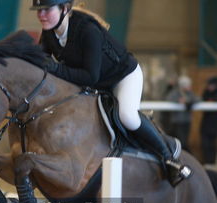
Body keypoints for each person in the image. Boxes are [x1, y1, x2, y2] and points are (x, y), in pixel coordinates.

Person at [29, 0, 191, 186]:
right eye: (38, 10)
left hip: (122, 77)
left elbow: (89, 76)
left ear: (64, 8)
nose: (41, 15)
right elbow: (40, 62)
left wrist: (55, 69)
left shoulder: (87, 31)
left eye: (46, 10)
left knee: (127, 116)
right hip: (98, 83)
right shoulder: (49, 33)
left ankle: (169, 158)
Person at [166, 75, 199, 151]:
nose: (189, 87)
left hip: (186, 121)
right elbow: (169, 98)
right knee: (179, 141)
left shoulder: (190, 93)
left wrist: (188, 102)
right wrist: (178, 100)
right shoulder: (175, 92)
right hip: (177, 121)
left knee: (184, 140)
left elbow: (198, 99)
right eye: (188, 85)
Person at [200, 77, 217, 165]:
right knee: (205, 143)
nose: (209, 87)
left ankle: (211, 162)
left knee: (212, 145)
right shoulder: (206, 92)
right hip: (206, 123)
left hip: (214, 123)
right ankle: (207, 161)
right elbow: (203, 99)